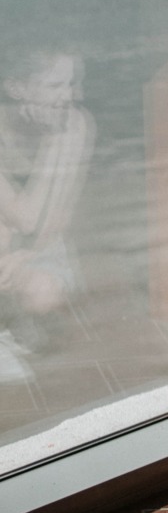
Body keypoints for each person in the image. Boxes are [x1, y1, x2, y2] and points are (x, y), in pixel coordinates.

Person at [0, 47, 94, 358]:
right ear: (17, 88)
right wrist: (52, 145)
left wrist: (25, 256)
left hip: (38, 244)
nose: (68, 96)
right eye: (55, 86)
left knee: (42, 291)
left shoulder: (73, 124)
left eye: (71, 84)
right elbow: (24, 218)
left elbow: (58, 215)